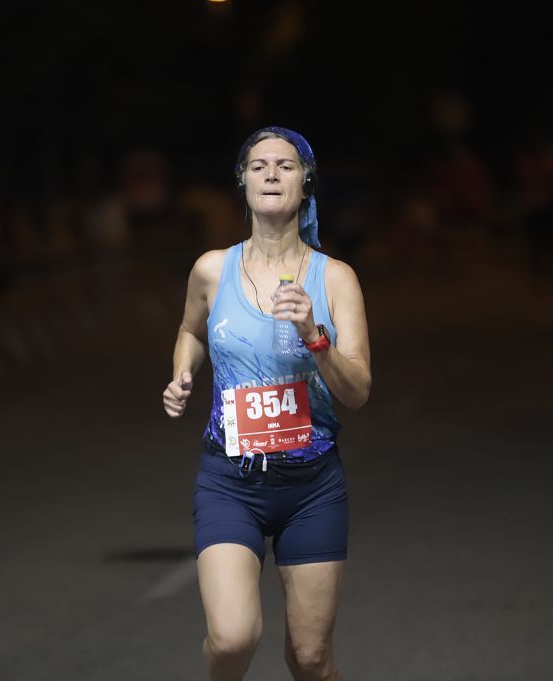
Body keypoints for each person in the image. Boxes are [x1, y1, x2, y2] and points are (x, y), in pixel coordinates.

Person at [162, 127, 371, 681]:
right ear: (242, 181)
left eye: (285, 164)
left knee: (310, 657)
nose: (272, 173)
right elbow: (192, 330)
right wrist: (182, 372)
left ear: (306, 182)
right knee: (233, 639)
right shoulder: (212, 269)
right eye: (259, 166)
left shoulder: (337, 280)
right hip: (230, 479)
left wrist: (314, 334)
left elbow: (357, 392)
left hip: (312, 485)